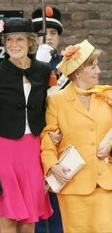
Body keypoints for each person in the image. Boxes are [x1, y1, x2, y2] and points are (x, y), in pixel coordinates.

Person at [0, 18, 53, 233]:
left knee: (29, 219)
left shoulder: (43, 70)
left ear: (30, 42)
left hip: (33, 149)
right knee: (8, 218)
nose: (13, 44)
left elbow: (48, 109)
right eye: (9, 40)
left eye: (19, 39)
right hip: (2, 148)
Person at [41, 39, 112, 233]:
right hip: (74, 185)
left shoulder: (108, 96)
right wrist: (52, 165)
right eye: (93, 67)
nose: (99, 71)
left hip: (106, 183)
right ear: (79, 71)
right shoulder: (56, 100)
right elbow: (47, 138)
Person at [32, 6, 64, 233]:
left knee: (58, 196)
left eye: (53, 33)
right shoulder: (25, 64)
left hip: (60, 138)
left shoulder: (69, 63)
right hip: (33, 136)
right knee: (36, 195)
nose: (48, 38)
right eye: (43, 34)